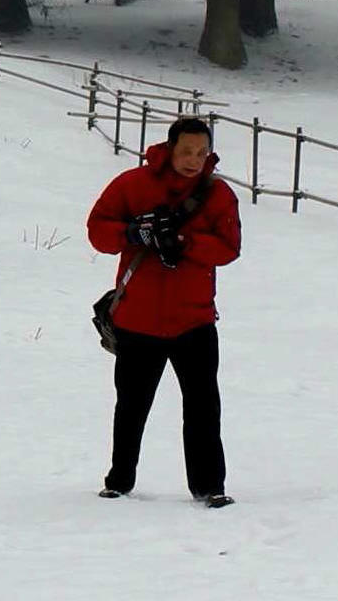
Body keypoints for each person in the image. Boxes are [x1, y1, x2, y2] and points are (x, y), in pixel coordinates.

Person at [87, 117, 241, 508]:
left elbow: (229, 248)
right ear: (170, 147)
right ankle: (119, 480)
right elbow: (97, 231)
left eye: (202, 152)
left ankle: (210, 487)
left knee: (204, 405)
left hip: (195, 320)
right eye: (187, 151)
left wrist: (185, 241)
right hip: (138, 319)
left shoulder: (218, 194)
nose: (194, 159)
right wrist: (134, 233)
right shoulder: (132, 185)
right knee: (132, 404)